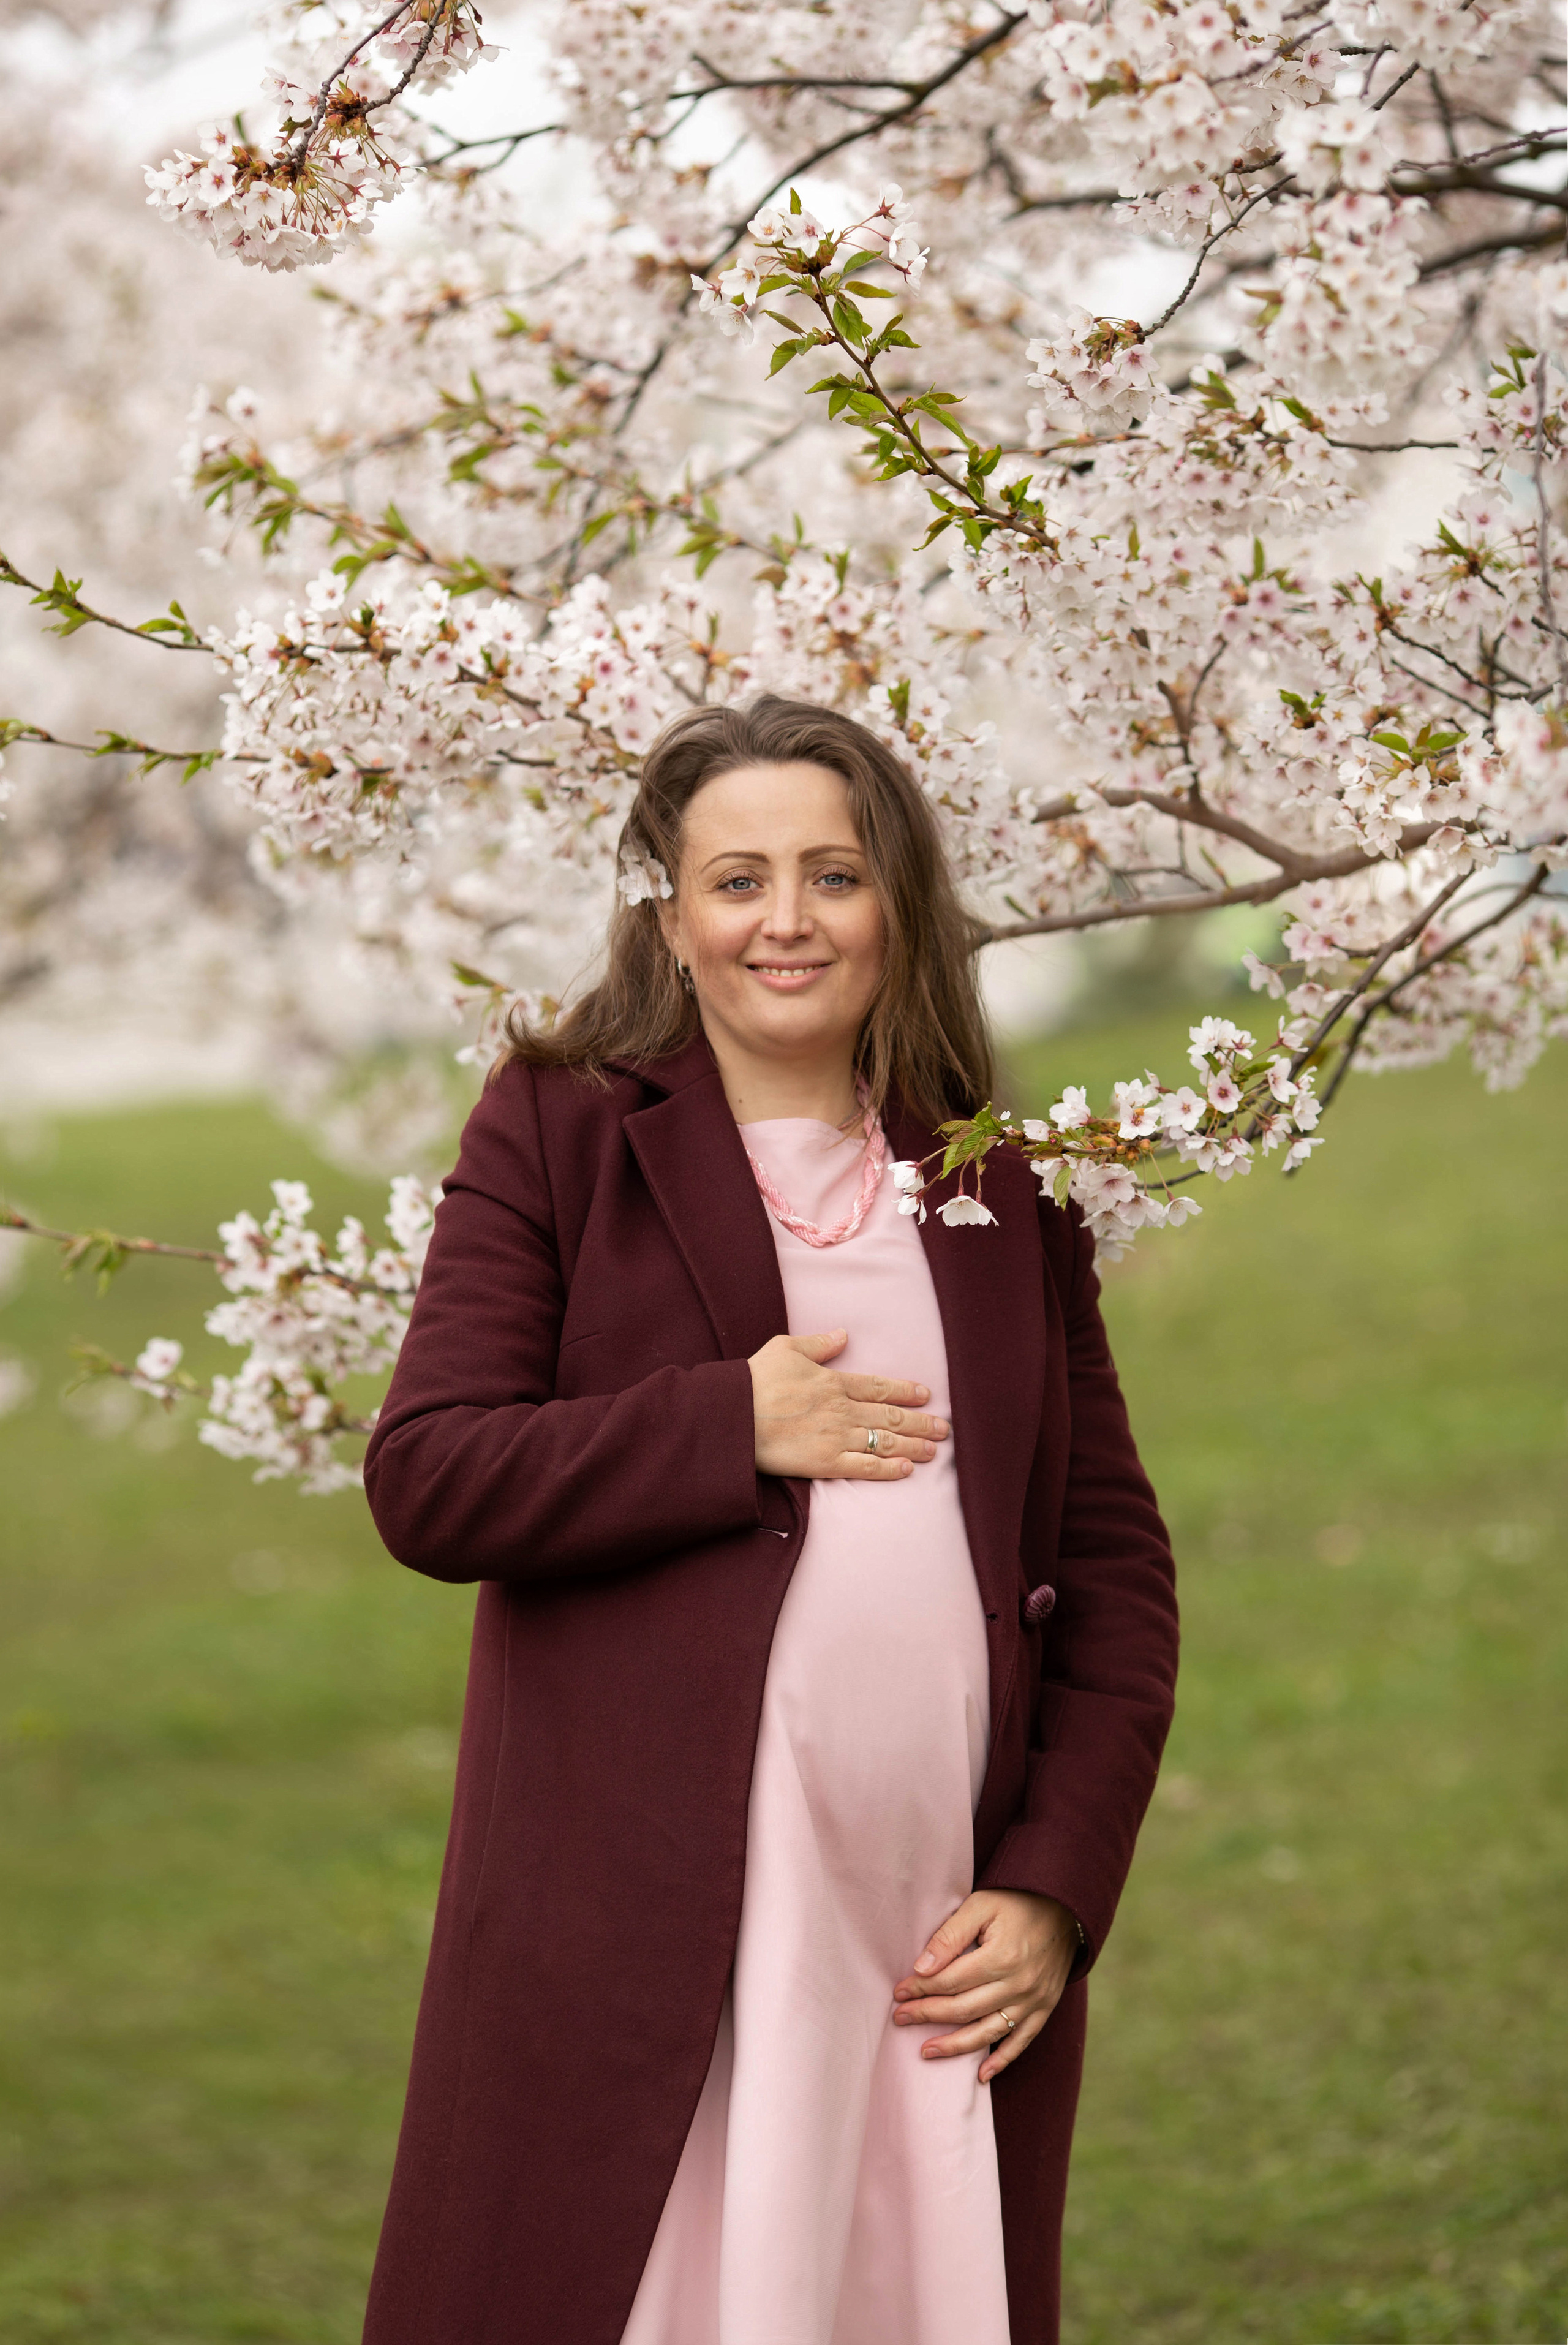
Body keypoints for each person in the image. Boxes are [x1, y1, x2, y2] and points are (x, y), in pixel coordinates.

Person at [359, 695, 1178, 2345]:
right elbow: (433, 1471)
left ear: (901, 906)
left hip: (925, 1927)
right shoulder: (559, 1128)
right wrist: (731, 1421)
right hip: (645, 1908)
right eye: (739, 880)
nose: (786, 920)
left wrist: (1056, 1878)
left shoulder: (998, 1181)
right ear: (670, 910)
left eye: (834, 874)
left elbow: (1108, 1570)